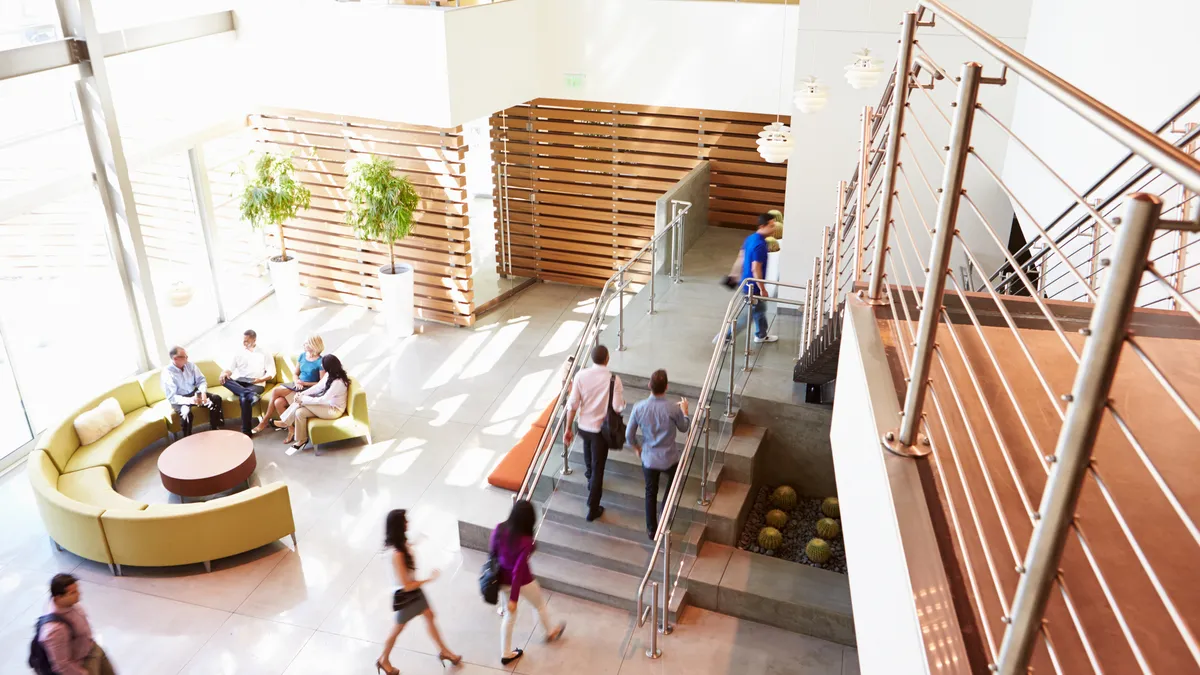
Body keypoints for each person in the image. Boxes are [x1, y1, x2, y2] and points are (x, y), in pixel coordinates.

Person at [376, 509, 461, 674]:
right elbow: (407, 585)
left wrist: (417, 542)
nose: (408, 522)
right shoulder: (397, 554)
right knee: (398, 628)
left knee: (429, 615)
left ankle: (445, 651)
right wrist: (429, 579)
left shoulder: (397, 545)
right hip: (406, 596)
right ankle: (383, 659)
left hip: (413, 593)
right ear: (399, 526)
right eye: (405, 520)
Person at [490, 500, 566, 666]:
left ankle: (506, 652)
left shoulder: (499, 528)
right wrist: (514, 599)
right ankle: (550, 632)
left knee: (509, 616)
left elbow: (493, 554)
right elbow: (518, 571)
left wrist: (509, 600)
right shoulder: (526, 542)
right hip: (523, 581)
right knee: (538, 605)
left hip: (501, 579)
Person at [626, 369, 691, 540]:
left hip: (649, 459)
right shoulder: (672, 409)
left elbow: (629, 435)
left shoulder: (639, 407)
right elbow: (684, 428)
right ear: (667, 387)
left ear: (649, 385)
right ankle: (665, 511)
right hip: (670, 458)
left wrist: (637, 448)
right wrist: (685, 412)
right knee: (672, 485)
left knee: (650, 492)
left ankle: (651, 530)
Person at [564, 344, 624, 522]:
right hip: (601, 430)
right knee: (599, 467)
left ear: (592, 358)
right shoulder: (614, 379)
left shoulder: (581, 376)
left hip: (584, 426)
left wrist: (568, 428)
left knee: (588, 452)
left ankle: (589, 476)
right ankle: (593, 506)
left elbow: (573, 404)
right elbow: (618, 407)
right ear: (607, 359)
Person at [716, 212, 779, 345]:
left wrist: (734, 275)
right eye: (771, 226)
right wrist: (762, 289)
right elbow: (755, 268)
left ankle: (761, 334)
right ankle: (724, 338)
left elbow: (741, 258)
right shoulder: (760, 245)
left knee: (760, 310)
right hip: (753, 287)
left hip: (745, 282)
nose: (774, 229)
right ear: (762, 226)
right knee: (747, 316)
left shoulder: (750, 238)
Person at [37, 573, 115, 675]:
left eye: (77, 590)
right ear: (58, 598)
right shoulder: (55, 630)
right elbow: (62, 664)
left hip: (92, 649)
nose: (79, 594)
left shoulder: (71, 605)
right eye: (73, 592)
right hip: (83, 665)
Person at [253, 335, 324, 435]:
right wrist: (297, 381)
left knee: (275, 391)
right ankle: (291, 429)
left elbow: (321, 383)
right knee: (278, 402)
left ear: (314, 345)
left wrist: (304, 383)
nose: (304, 344)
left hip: (308, 389)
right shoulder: (302, 356)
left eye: (307, 343)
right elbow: (295, 374)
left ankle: (264, 421)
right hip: (297, 385)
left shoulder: (321, 362)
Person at [277, 354, 349, 450]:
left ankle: (285, 422)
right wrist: (302, 394)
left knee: (300, 402)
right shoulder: (329, 375)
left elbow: (323, 400)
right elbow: (318, 387)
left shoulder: (338, 382)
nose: (322, 366)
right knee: (299, 412)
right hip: (327, 406)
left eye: (323, 365)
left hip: (334, 410)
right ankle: (302, 439)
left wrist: (303, 399)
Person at [219, 329, 276, 435]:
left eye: (247, 341)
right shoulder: (239, 352)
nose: (244, 343)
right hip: (241, 381)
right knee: (224, 379)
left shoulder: (264, 352)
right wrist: (225, 373)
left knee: (244, 398)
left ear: (254, 340)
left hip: (256, 383)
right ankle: (250, 395)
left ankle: (246, 431)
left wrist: (261, 379)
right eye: (243, 341)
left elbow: (272, 372)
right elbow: (230, 369)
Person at [161, 346, 223, 437]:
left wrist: (203, 392)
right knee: (186, 413)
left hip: (193, 393)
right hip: (179, 399)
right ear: (175, 358)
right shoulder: (167, 373)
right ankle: (187, 438)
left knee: (216, 399)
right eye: (184, 357)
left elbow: (201, 380)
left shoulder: (190, 365)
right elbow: (172, 397)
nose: (187, 359)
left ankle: (214, 427)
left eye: (187, 356)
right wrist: (191, 400)